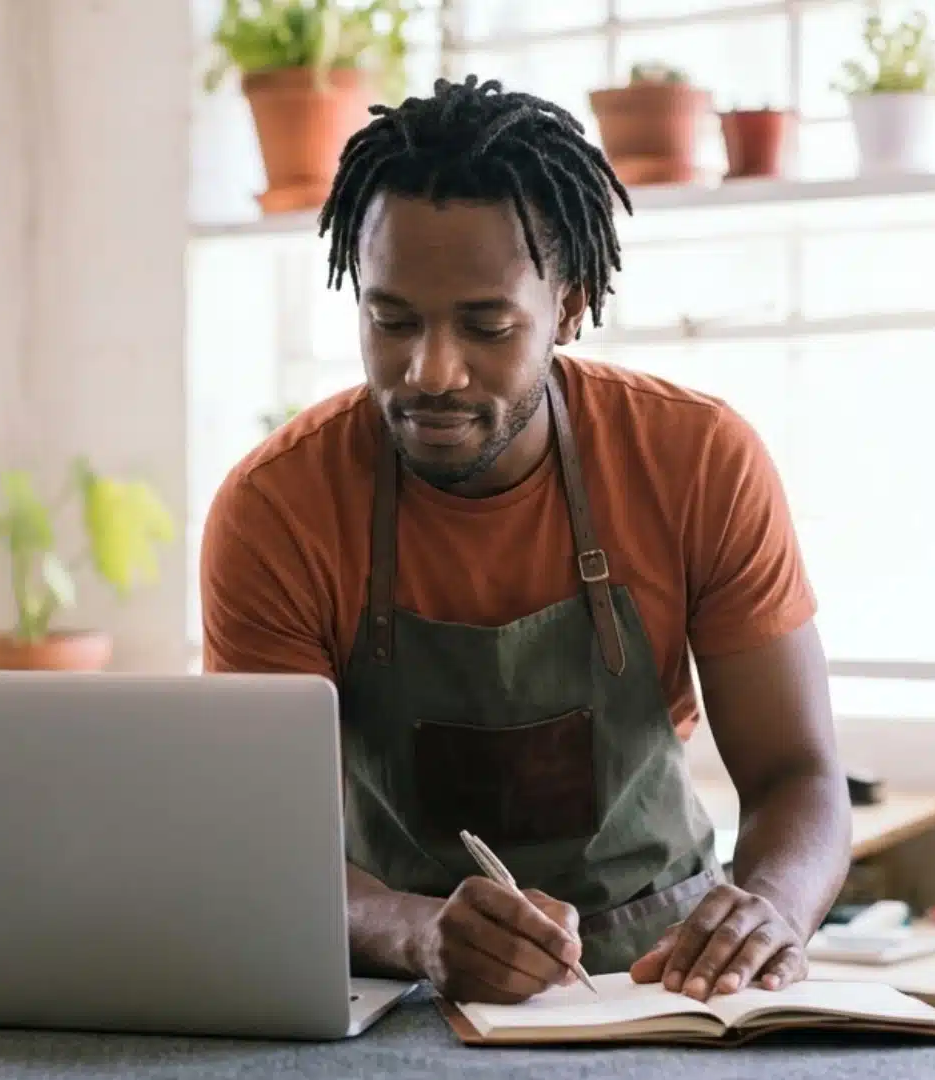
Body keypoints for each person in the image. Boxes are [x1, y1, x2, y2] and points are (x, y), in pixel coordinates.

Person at [198, 75, 852, 1007]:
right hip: (399, 995)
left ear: (570, 308)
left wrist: (772, 912)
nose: (430, 371)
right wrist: (418, 932)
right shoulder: (278, 508)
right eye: (391, 321)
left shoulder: (697, 459)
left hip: (667, 983)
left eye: (486, 324)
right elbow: (261, 849)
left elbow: (800, 775)